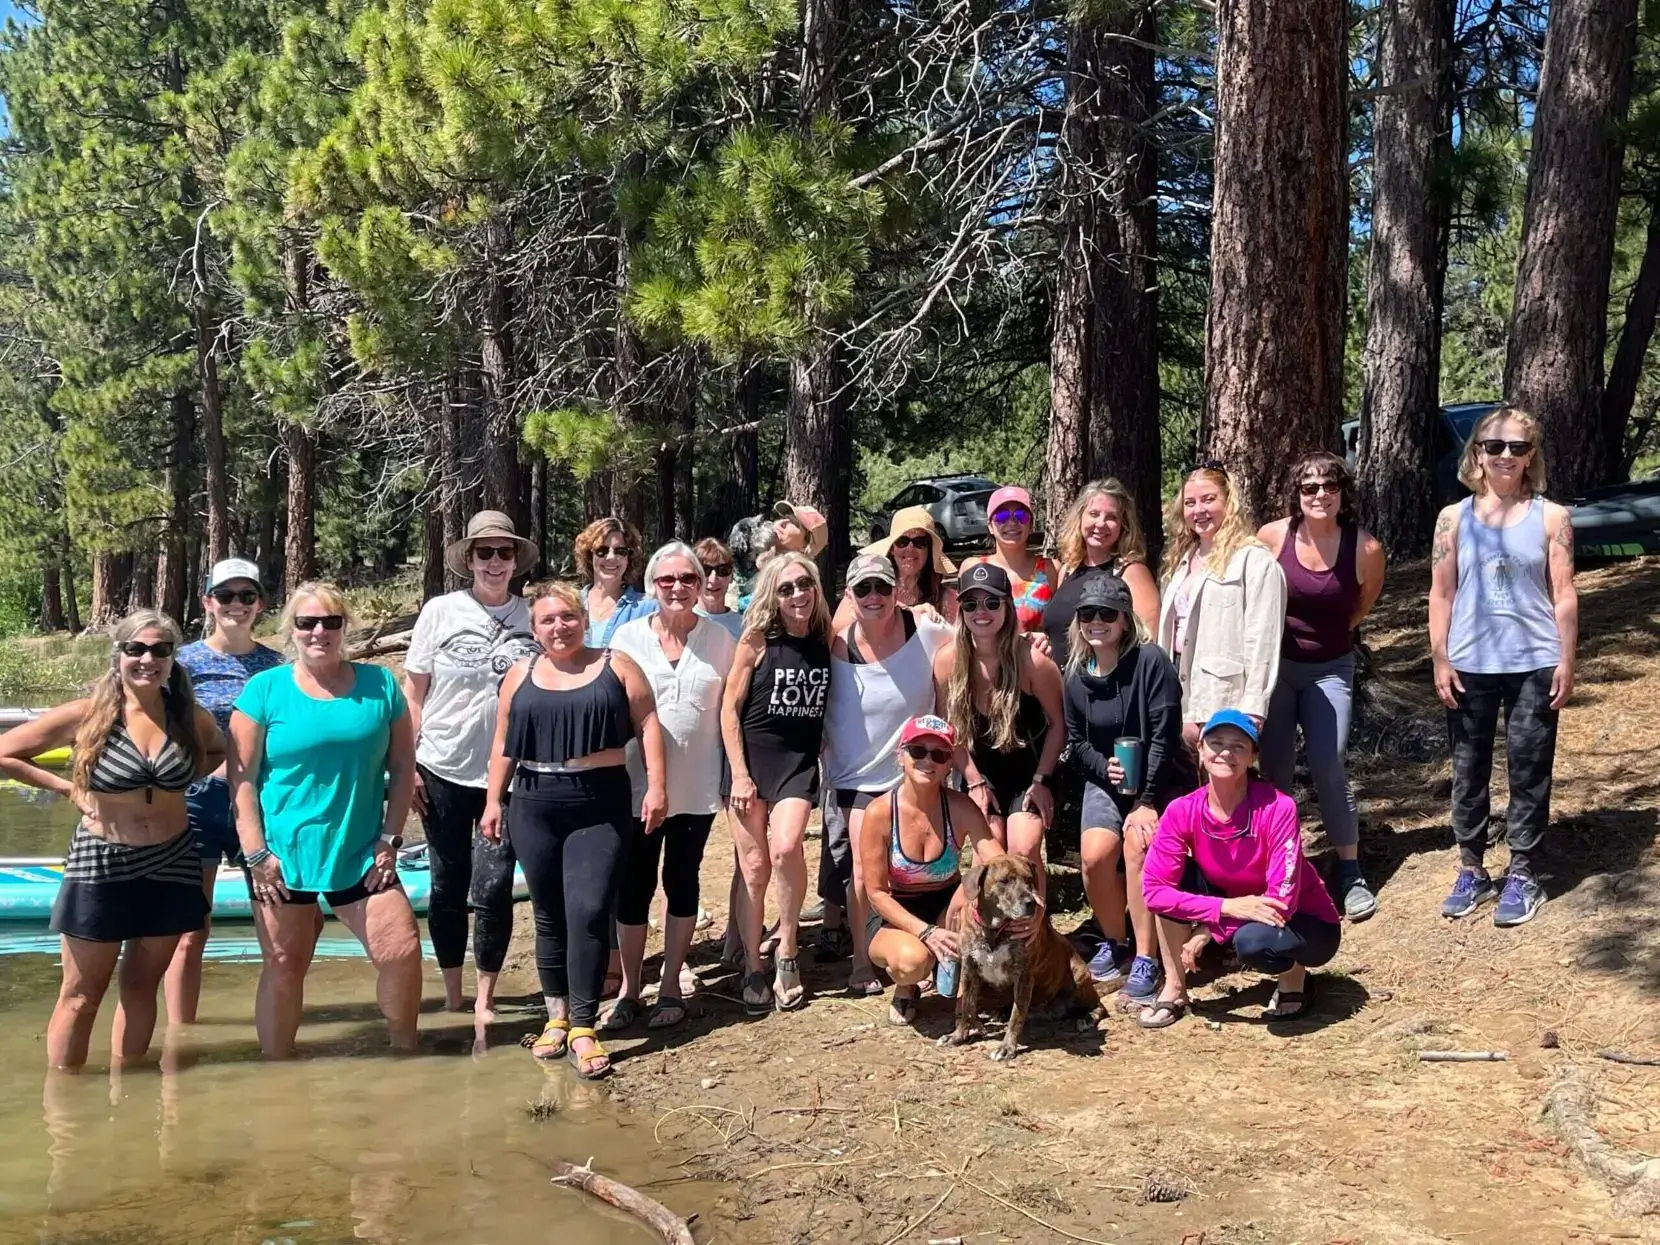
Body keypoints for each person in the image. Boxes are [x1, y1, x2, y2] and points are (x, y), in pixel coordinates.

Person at [0, 611, 222, 1069]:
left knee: (141, 988)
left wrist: (179, 784)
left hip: (173, 860)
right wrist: (67, 788)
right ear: (117, 655)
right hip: (100, 863)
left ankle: (132, 1097)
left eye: (160, 650)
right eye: (135, 649)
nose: (147, 659)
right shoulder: (87, 715)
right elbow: (6, 752)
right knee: (81, 995)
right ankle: (65, 1113)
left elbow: (219, 750)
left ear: (172, 659)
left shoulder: (187, 717)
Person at [482, 581, 666, 1079]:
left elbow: (648, 723)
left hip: (599, 800)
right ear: (534, 627)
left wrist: (656, 788)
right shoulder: (520, 673)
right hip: (534, 801)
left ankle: (584, 1026)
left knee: (587, 910)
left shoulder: (616, 664)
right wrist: (494, 800)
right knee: (547, 915)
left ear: (582, 618)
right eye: (547, 620)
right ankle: (556, 1018)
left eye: (567, 616)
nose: (558, 627)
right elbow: (504, 741)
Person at [230, 583, 421, 1057]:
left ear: (344, 628)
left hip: (360, 853)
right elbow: (242, 780)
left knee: (402, 954)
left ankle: (405, 1055)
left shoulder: (380, 686)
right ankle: (278, 1080)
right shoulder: (263, 691)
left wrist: (390, 840)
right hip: (282, 856)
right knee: (283, 965)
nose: (319, 631)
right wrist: (256, 854)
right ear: (290, 630)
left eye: (330, 622)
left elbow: (402, 769)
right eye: (307, 622)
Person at [1429, 407, 1577, 927]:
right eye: (1495, 446)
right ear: (1477, 453)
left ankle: (1523, 869)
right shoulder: (1453, 518)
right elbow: (1441, 592)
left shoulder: (1552, 517)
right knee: (1468, 770)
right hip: (1470, 662)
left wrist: (1567, 658)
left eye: (1517, 447)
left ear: (1531, 454)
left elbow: (1563, 593)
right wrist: (1441, 657)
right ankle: (1471, 866)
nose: (1506, 456)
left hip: (1535, 660)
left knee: (1529, 766)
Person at [403, 511, 541, 1017]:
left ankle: (485, 997)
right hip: (441, 766)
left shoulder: (533, 616)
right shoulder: (440, 612)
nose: (496, 562)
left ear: (515, 561)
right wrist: (409, 763)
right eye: (485, 553)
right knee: (446, 882)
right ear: (469, 559)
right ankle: (453, 993)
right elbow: (413, 694)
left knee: (494, 885)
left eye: (505, 553)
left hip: (507, 775)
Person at [1140, 709, 1342, 1028]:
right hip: (1236, 905)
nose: (1225, 752)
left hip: (1304, 921)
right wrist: (1225, 908)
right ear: (1201, 750)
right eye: (1217, 742)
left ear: (1252, 757)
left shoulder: (1278, 807)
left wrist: (1212, 928)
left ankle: (1293, 977)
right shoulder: (1181, 810)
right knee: (1174, 885)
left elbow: (1282, 902)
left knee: (1253, 943)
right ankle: (1175, 988)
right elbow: (1154, 892)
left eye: (1238, 746)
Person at [606, 543, 736, 1031]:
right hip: (637, 789)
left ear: (702, 585)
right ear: (653, 586)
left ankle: (670, 984)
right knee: (634, 886)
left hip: (699, 788)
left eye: (688, 579)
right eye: (667, 581)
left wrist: (733, 776)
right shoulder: (628, 638)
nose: (678, 588)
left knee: (683, 881)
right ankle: (629, 988)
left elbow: (733, 713)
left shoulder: (721, 641)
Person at [1257, 454, 1387, 921]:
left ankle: (1349, 869)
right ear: (1297, 494)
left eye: (1328, 486)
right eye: (1309, 487)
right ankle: (1277, 863)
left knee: (1329, 763)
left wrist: (1332, 639)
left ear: (1342, 493)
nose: (1319, 495)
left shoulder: (1365, 548)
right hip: (1276, 670)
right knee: (1273, 771)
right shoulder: (1272, 538)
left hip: (1331, 668)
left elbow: (1361, 604)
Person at [819, 554, 954, 994]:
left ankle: (928, 943)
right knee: (863, 870)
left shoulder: (926, 630)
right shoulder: (836, 646)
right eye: (863, 590)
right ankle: (861, 960)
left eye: (882, 587)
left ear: (898, 589)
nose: (874, 597)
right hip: (855, 778)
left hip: (916, 770)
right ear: (849, 596)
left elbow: (976, 643)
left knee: (924, 865)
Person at [1063, 576, 1194, 1004]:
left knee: (1137, 847)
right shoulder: (1076, 676)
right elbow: (1076, 742)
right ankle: (1115, 942)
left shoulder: (1151, 662)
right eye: (1087, 614)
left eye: (1106, 614)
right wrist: (1106, 768)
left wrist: (1146, 801)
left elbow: (1164, 735)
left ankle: (1145, 956)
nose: (1096, 622)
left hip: (1160, 781)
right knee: (1095, 854)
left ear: (1124, 619)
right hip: (1106, 780)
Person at [169, 559, 285, 1025]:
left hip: (256, 805)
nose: (236, 605)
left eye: (246, 596)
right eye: (226, 596)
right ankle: (181, 1038)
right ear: (208, 602)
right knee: (190, 930)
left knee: (276, 928)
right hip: (196, 802)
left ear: (259, 604)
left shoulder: (277, 664)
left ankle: (275, 1036)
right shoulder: (182, 665)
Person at [722, 552, 833, 1014]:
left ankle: (787, 947)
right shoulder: (757, 641)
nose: (797, 595)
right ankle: (752, 964)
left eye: (803, 585)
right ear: (773, 595)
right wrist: (741, 775)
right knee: (753, 867)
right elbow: (729, 709)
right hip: (751, 763)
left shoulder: (827, 640)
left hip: (797, 764)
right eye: (786, 589)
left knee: (786, 848)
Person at [860, 716, 1000, 1026]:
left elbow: (997, 861)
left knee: (973, 902)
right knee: (913, 962)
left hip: (946, 906)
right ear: (901, 756)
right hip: (893, 911)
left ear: (949, 764)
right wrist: (925, 932)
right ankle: (906, 985)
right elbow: (875, 893)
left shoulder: (961, 807)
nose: (927, 761)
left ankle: (963, 1000)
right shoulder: (880, 813)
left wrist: (1022, 898)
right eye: (917, 751)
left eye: (939, 754)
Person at [932, 562, 1063, 888]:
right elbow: (950, 729)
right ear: (960, 608)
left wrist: (1042, 780)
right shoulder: (948, 661)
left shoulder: (1033, 662)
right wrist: (974, 783)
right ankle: (988, 928)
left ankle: (1034, 933)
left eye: (992, 602)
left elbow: (1060, 725)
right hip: (981, 772)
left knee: (1023, 849)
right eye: (971, 603)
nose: (982, 611)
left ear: (1008, 606)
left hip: (1028, 773)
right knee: (988, 851)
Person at [1159, 464, 1288, 753]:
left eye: (1208, 499)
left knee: (1224, 783)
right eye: (1190, 503)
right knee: (1187, 787)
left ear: (1229, 502)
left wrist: (1254, 706)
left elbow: (1263, 640)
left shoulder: (1255, 561)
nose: (1199, 510)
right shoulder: (1180, 562)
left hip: (1224, 692)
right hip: (1178, 685)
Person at [1043, 479, 1160, 667]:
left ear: (1124, 525)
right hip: (1061, 689)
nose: (1101, 524)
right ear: (1080, 518)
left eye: (1112, 517)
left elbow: (1148, 644)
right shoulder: (1067, 570)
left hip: (1106, 690)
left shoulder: (1131, 572)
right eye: (1094, 514)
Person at [960, 485, 1056, 634]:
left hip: (1033, 656)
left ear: (1030, 525)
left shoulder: (1051, 570)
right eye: (1001, 516)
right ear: (990, 526)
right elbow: (960, 626)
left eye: (1021, 516)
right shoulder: (972, 568)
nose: (1012, 522)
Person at [840, 506, 957, 627]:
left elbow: (958, 642)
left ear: (929, 550)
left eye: (920, 542)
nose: (910, 548)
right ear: (892, 549)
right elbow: (837, 635)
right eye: (902, 541)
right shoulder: (866, 589)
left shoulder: (946, 599)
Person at [574, 516, 657, 647]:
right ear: (590, 556)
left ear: (629, 557)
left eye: (620, 551)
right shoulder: (571, 604)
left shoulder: (648, 608)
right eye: (602, 551)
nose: (611, 557)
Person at [694, 536, 746, 640]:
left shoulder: (743, 627)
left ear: (731, 576)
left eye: (723, 570)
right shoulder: (683, 622)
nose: (713, 579)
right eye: (705, 570)